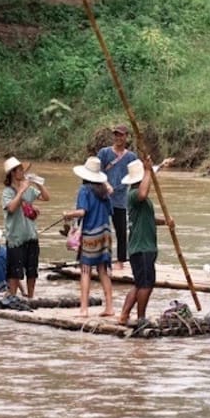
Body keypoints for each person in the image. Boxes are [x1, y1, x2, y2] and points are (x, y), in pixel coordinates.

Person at [118, 158, 174, 328]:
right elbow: (143, 192)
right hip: (142, 247)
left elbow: (148, 219)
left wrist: (165, 222)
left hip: (143, 247)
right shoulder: (135, 195)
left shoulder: (139, 199)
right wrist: (148, 171)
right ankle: (141, 317)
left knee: (140, 283)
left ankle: (124, 315)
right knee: (146, 285)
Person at [63, 156, 115, 318]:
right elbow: (111, 212)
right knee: (103, 270)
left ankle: (84, 309)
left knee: (85, 270)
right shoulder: (104, 192)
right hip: (105, 233)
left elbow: (82, 212)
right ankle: (110, 307)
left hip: (91, 233)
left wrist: (68, 214)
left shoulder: (85, 190)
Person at [1, 156, 50, 298]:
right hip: (15, 238)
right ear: (12, 173)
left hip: (31, 235)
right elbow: (11, 208)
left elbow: (46, 197)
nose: (23, 172)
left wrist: (38, 183)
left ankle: (31, 297)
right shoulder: (7, 192)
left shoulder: (29, 189)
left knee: (32, 270)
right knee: (14, 272)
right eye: (20, 170)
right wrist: (21, 191)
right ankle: (12, 297)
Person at [97, 125, 138, 270]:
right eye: (116, 135)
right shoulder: (104, 153)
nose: (118, 138)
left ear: (126, 137)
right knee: (102, 230)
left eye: (121, 135)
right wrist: (106, 185)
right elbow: (97, 172)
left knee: (121, 232)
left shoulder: (131, 157)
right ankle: (101, 259)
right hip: (103, 198)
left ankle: (121, 261)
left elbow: (135, 176)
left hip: (121, 200)